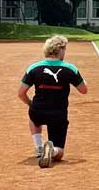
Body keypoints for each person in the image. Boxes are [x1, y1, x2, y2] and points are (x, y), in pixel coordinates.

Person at [18, 35, 88, 167]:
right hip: (58, 114)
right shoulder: (70, 68)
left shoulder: (33, 67)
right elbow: (83, 90)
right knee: (59, 154)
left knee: (33, 115)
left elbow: (21, 93)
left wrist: (30, 104)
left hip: (38, 111)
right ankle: (53, 150)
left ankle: (39, 148)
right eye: (65, 49)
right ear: (60, 50)